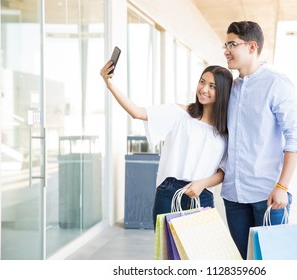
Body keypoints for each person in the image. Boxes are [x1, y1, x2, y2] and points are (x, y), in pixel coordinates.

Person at [100, 62, 233, 228]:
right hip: (170, 193)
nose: (204, 89)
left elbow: (223, 170)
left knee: (199, 251)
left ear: (223, 92)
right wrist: (109, 84)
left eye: (212, 86)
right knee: (168, 252)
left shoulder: (226, 130)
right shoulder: (179, 114)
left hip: (202, 195)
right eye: (202, 82)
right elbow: (137, 112)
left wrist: (202, 184)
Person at [221, 21, 297, 259]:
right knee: (243, 260)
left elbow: (294, 137)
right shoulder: (231, 88)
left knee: (274, 262)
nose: (226, 50)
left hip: (268, 195)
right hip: (233, 195)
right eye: (225, 44)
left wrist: (282, 187)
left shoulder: (276, 84)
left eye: (232, 44)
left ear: (252, 46)